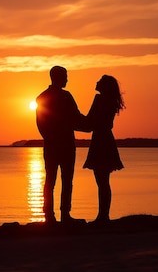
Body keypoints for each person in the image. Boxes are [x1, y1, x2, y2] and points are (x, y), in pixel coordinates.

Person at [35, 66, 87, 225]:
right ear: (57, 77)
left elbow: (41, 125)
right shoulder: (64, 97)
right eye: (65, 76)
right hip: (62, 144)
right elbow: (76, 119)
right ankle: (57, 215)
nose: (67, 79)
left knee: (54, 180)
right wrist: (91, 124)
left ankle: (55, 215)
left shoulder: (43, 97)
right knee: (60, 180)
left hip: (54, 144)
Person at [83, 75, 125, 225]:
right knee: (104, 181)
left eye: (99, 81)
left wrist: (72, 121)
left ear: (104, 86)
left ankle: (102, 217)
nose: (96, 82)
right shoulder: (110, 101)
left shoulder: (99, 99)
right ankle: (103, 215)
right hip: (107, 138)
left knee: (101, 181)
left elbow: (89, 121)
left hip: (100, 140)